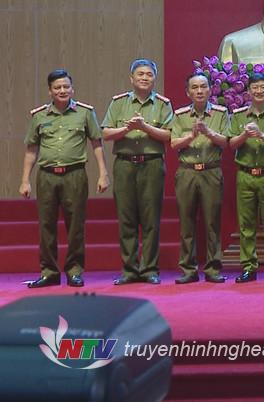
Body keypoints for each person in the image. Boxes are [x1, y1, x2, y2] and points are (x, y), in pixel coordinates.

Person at [20, 70, 109, 288]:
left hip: (75, 175)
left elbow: (96, 144)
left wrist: (103, 173)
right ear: (50, 91)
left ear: (72, 89)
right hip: (47, 176)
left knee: (76, 226)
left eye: (66, 87)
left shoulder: (85, 113)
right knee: (46, 227)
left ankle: (74, 271)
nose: (62, 91)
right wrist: (25, 180)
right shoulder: (40, 116)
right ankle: (49, 272)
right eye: (57, 87)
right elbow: (31, 150)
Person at [102, 59, 174, 285]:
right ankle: (129, 270)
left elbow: (169, 135)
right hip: (124, 164)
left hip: (152, 164)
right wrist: (127, 129)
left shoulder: (163, 104)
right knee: (127, 218)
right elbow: (105, 133)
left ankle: (149, 269)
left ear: (155, 78)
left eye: (149, 75)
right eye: (140, 74)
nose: (144, 78)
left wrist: (144, 127)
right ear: (131, 78)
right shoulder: (118, 103)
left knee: (151, 219)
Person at [170, 73, 231, 284]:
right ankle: (188, 269)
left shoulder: (221, 113)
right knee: (187, 222)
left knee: (212, 222)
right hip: (187, 171)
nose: (199, 91)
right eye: (194, 88)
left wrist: (209, 132)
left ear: (210, 89)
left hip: (211, 171)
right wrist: (191, 136)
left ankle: (213, 268)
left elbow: (226, 142)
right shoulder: (179, 115)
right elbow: (173, 144)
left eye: (203, 87)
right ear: (188, 92)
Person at [229, 72, 264, 283]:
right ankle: (248, 266)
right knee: (246, 224)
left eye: (263, 87)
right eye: (255, 88)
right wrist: (245, 134)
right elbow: (231, 144)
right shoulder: (238, 115)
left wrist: (262, 136)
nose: (259, 91)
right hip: (245, 175)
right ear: (249, 91)